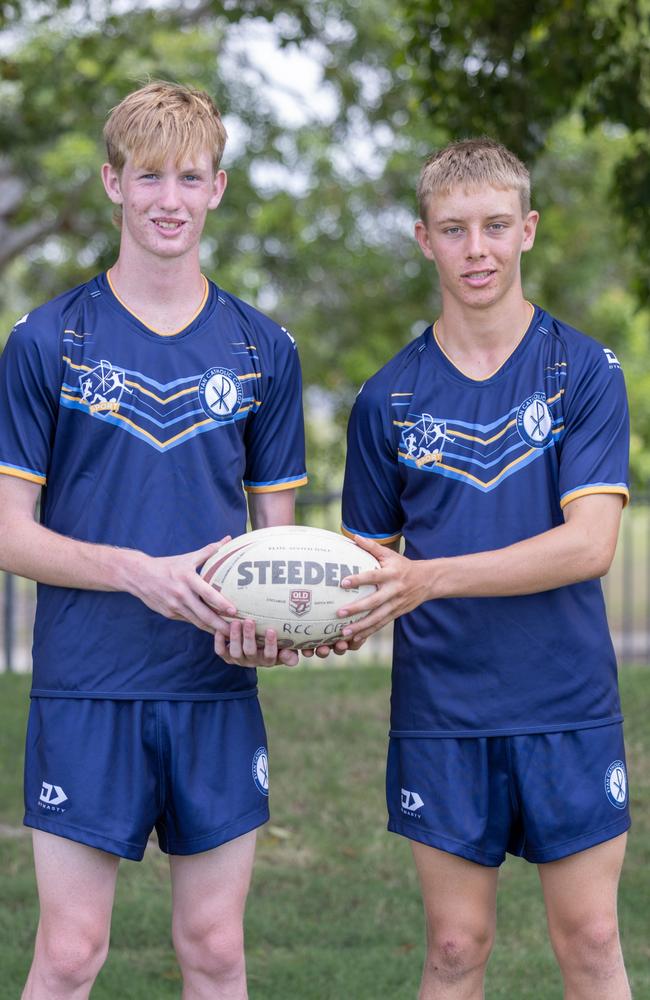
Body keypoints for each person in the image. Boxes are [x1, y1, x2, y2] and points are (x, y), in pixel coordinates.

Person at [0, 81, 309, 999]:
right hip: (86, 686)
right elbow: (8, 532)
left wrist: (279, 628)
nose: (167, 199)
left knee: (214, 951)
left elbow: (278, 553)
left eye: (188, 176)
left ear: (217, 187)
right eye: (148, 178)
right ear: (112, 184)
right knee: (69, 953)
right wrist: (136, 572)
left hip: (213, 689)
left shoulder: (263, 349)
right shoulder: (48, 340)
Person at [338, 138, 632, 999]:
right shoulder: (386, 397)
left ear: (528, 229)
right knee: (456, 949)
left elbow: (590, 545)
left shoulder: (583, 370)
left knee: (591, 938)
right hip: (444, 710)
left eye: (496, 226)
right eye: (455, 229)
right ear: (424, 238)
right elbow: (367, 570)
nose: (478, 250)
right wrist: (301, 624)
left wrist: (429, 579)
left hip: (565, 701)